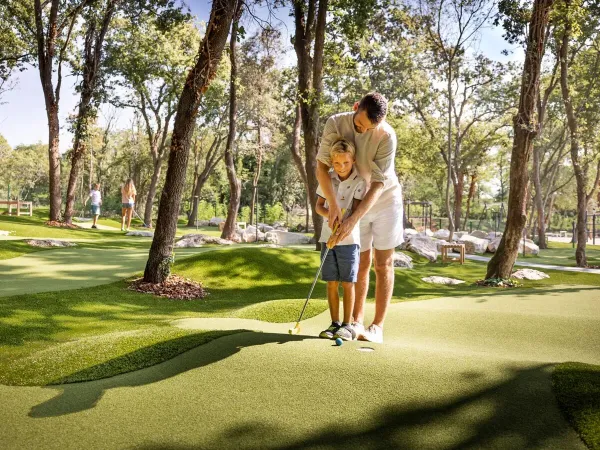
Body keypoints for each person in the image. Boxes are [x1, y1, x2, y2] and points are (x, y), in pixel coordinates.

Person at [316, 92, 403, 344]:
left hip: (384, 199)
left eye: (369, 128)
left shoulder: (387, 135)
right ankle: (355, 321)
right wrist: (333, 205)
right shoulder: (335, 122)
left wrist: (354, 218)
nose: (363, 132)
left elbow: (378, 183)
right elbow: (322, 165)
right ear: (356, 107)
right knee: (361, 261)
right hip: (354, 197)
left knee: (383, 263)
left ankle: (377, 326)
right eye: (359, 126)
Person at [315, 138, 366, 341]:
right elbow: (319, 206)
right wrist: (330, 215)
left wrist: (341, 226)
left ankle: (347, 325)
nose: (341, 167)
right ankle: (334, 323)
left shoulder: (360, 182)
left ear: (353, 160)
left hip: (349, 240)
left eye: (345, 162)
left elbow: (354, 212)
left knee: (348, 283)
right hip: (327, 239)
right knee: (331, 282)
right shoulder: (327, 178)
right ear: (332, 163)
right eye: (337, 163)